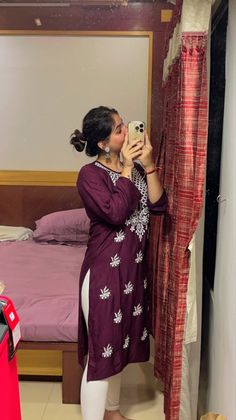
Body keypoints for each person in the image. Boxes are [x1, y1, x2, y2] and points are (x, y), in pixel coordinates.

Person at [70, 106, 167, 420]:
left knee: (119, 346)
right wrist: (126, 169)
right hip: (104, 275)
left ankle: (112, 412)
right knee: (102, 355)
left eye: (125, 125)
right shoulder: (90, 175)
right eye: (119, 129)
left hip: (132, 272)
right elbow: (114, 212)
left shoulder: (137, 168)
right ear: (102, 143)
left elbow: (159, 207)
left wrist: (148, 165)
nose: (126, 133)